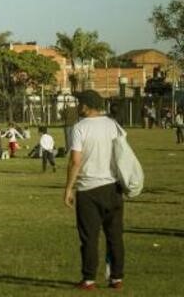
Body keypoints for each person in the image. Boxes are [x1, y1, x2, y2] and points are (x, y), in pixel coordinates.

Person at [64, 90, 125, 290]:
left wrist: (68, 188)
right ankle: (116, 277)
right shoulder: (113, 125)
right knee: (114, 235)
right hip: (113, 187)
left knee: (90, 236)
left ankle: (89, 279)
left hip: (89, 189)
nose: (78, 106)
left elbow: (75, 161)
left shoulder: (80, 128)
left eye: (80, 102)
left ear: (87, 105)